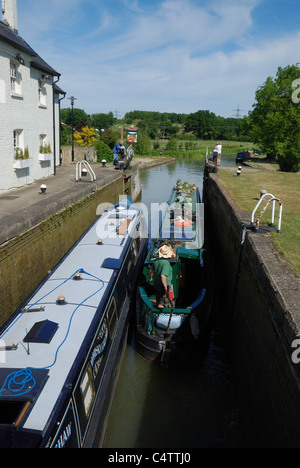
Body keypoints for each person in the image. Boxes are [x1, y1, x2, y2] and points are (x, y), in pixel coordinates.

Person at [153, 244, 175, 309]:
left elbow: (154, 273)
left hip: (157, 284)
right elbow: (163, 276)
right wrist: (165, 287)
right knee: (163, 303)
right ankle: (162, 316)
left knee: (159, 300)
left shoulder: (155, 262)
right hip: (165, 286)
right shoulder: (166, 263)